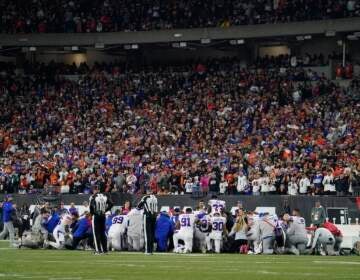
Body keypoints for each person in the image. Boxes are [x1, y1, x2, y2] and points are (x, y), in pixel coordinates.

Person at [89, 186, 113, 254]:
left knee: (96, 233)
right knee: (102, 233)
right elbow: (111, 204)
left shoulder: (93, 197)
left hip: (96, 216)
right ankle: (105, 250)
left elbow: (91, 206)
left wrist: (93, 213)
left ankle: (98, 250)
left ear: (95, 190)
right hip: (103, 215)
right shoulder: (104, 196)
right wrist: (105, 210)